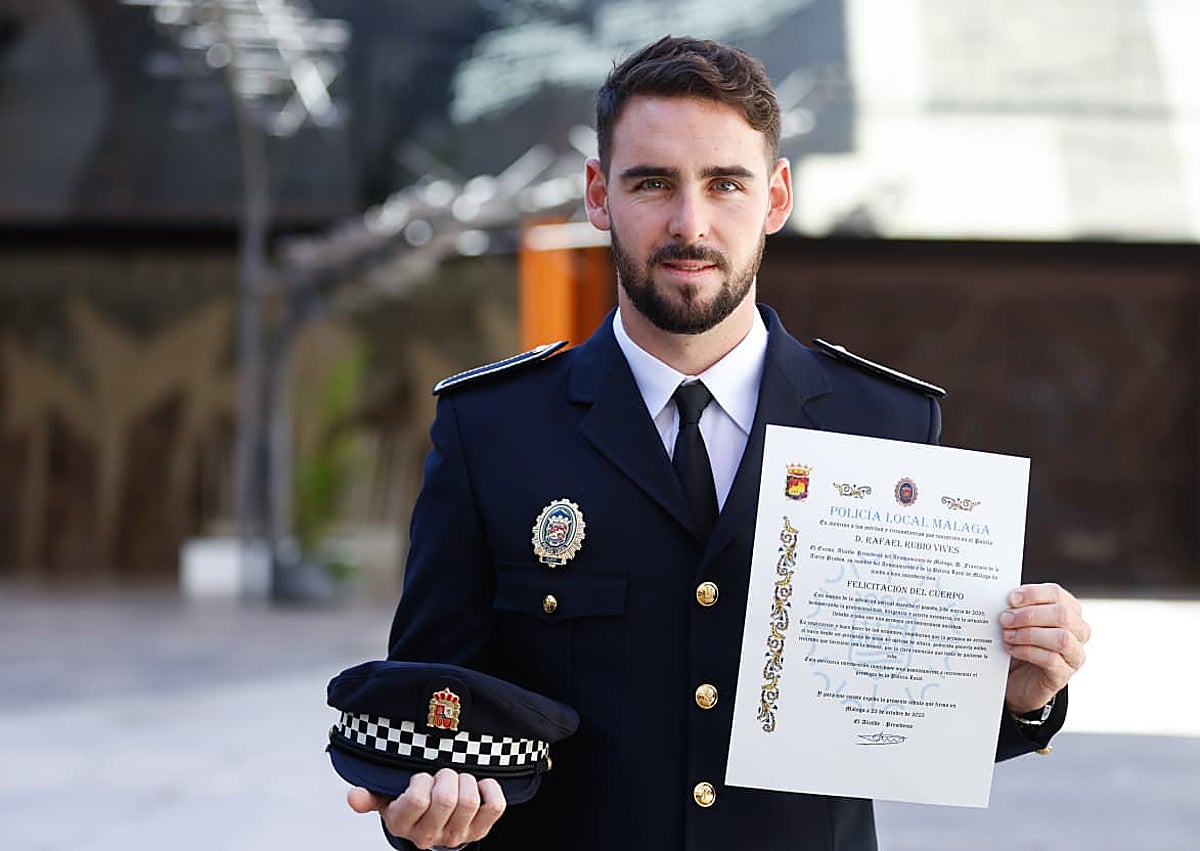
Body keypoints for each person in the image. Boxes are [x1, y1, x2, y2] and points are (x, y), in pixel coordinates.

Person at [346, 35, 1091, 851]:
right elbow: (429, 713)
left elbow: (898, 717)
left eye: (725, 183)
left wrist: (1016, 694)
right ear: (598, 195)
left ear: (775, 198)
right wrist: (421, 811)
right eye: (652, 182)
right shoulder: (492, 430)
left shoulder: (884, 424)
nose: (688, 223)